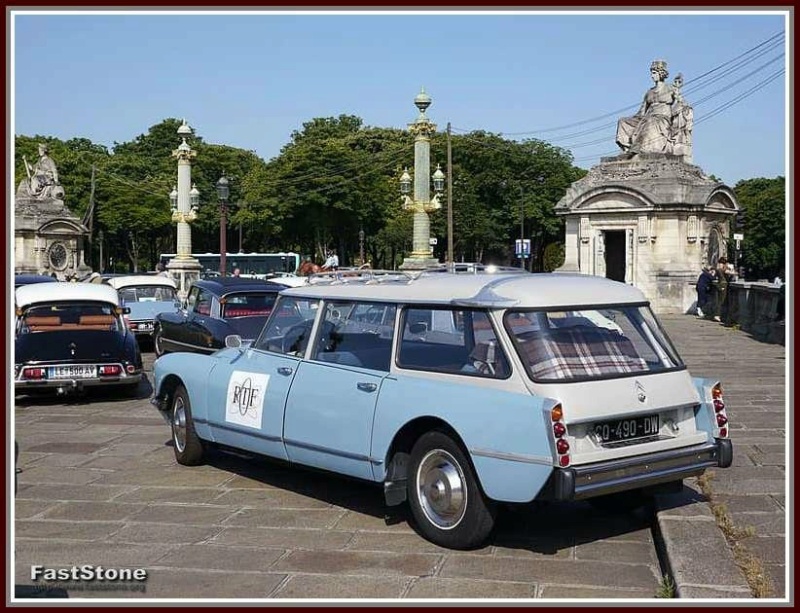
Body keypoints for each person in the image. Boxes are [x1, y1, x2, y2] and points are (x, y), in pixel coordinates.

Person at [616, 60, 676, 156]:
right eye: (651, 73)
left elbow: (679, 104)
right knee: (622, 121)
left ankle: (640, 148)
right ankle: (627, 149)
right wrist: (634, 119)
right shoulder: (649, 92)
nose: (652, 76)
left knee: (650, 121)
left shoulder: (670, 89)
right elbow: (642, 111)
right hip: (647, 117)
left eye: (654, 73)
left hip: (662, 118)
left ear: (661, 73)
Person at [669, 73, 694, 161]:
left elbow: (679, 99)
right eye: (675, 81)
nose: (676, 83)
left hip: (680, 127)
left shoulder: (683, 105)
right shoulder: (674, 105)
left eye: (678, 82)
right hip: (674, 126)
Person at [712, 257, 731, 322]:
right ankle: (717, 315)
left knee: (719, 300)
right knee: (722, 301)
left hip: (719, 284)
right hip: (723, 285)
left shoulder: (717, 269)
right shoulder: (722, 270)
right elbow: (730, 273)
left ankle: (718, 315)